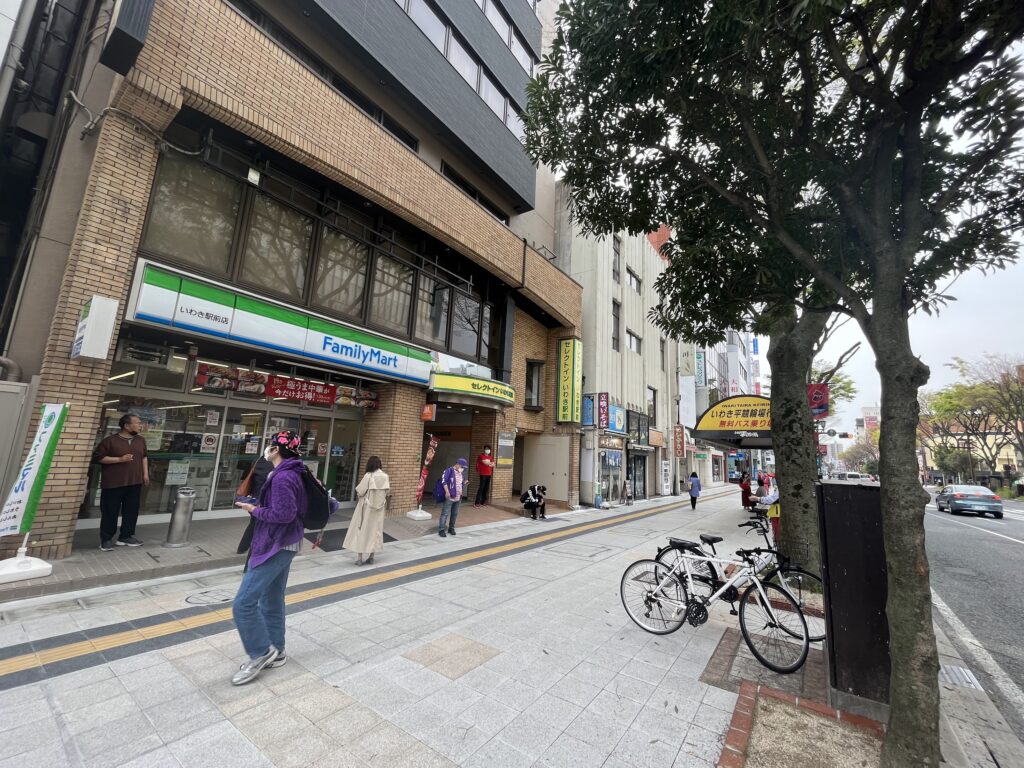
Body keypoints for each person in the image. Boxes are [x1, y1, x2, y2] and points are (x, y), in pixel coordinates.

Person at [231, 430, 306, 686]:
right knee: (271, 598)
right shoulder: (292, 472)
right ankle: (278, 649)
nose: (267, 449)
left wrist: (254, 509)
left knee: (243, 603)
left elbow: (284, 515)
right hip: (287, 542)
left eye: (271, 445)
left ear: (276, 450)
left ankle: (260, 652)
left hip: (276, 544)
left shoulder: (283, 476)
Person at [91, 414, 149, 551]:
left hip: (134, 482)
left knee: (131, 511)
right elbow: (98, 458)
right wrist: (119, 459)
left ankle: (126, 536)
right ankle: (106, 539)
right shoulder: (110, 441)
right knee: (110, 512)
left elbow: (144, 457)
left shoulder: (141, 440)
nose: (140, 425)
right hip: (113, 483)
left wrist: (145, 474)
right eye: (137, 423)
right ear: (126, 426)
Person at [344, 456, 390, 566]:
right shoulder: (385, 476)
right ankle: (371, 557)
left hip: (366, 508)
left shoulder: (368, 476)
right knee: (375, 531)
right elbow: (387, 492)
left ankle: (360, 558)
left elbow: (360, 491)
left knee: (361, 530)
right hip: (379, 510)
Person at [438, 458, 467, 537]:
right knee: (445, 513)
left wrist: (464, 482)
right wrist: (447, 491)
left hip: (458, 497)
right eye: (462, 467)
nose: (462, 469)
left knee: (454, 514)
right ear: (457, 464)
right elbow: (444, 481)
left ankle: (451, 528)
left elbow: (460, 483)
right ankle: (441, 530)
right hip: (450, 496)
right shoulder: (449, 471)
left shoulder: (461, 473)